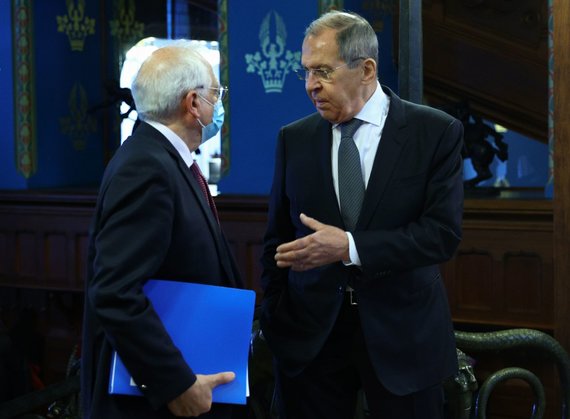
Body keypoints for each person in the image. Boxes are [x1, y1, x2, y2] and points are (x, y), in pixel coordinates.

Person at [259, 11, 464, 419]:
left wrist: (349, 246)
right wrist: (277, 316)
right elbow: (275, 242)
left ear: (366, 69)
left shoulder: (434, 133)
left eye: (323, 71)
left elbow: (440, 234)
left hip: (404, 338)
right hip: (311, 341)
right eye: (306, 72)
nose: (310, 85)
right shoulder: (294, 139)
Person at [81, 44, 242, 418]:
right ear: (193, 103)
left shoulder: (162, 158)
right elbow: (115, 292)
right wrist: (176, 383)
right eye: (216, 94)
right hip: (156, 403)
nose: (219, 105)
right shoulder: (147, 167)